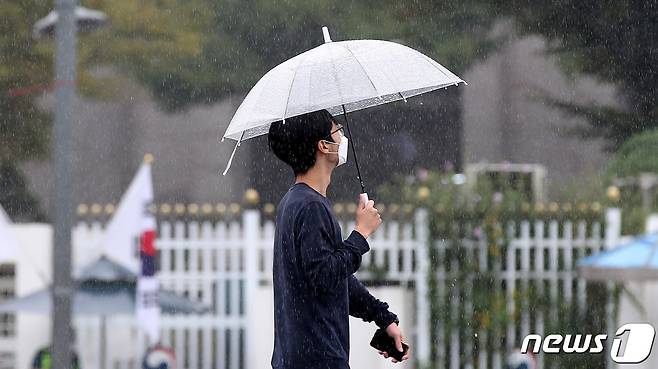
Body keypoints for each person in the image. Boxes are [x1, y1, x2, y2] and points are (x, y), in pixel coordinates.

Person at [268, 109, 410, 369]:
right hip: (317, 359)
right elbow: (324, 276)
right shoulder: (310, 207)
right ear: (323, 145)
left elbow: (338, 281)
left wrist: (383, 317)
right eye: (337, 130)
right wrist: (361, 234)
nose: (342, 136)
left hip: (303, 357)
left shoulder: (298, 202)